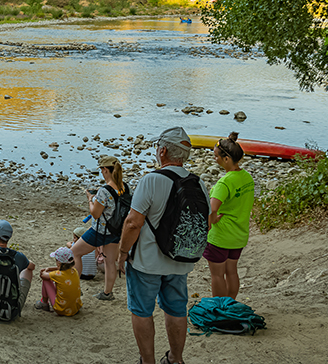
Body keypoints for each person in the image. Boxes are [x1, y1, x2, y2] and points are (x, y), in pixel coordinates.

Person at [117, 127, 210, 364]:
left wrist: (122, 253)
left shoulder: (151, 180)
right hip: (180, 260)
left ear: (163, 150)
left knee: (141, 311)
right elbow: (204, 223)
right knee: (176, 310)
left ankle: (147, 361)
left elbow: (132, 223)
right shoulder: (200, 184)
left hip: (147, 262)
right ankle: (175, 359)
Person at [205, 132, 254, 299]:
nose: (214, 159)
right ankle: (231, 303)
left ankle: (219, 308)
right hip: (239, 235)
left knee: (217, 275)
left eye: (216, 156)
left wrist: (210, 222)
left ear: (226, 158)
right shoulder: (247, 178)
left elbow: (212, 209)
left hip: (221, 236)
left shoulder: (224, 183)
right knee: (232, 272)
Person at [71, 155, 126, 300]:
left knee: (74, 253)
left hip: (100, 231)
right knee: (109, 262)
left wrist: (90, 200)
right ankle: (107, 293)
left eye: (102, 169)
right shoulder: (124, 187)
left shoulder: (104, 191)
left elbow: (95, 214)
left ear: (106, 170)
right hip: (116, 230)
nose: (101, 172)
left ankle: (76, 289)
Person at [36, 246, 83, 316]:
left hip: (61, 309)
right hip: (76, 308)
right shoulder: (75, 271)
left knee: (46, 280)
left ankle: (44, 303)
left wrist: (45, 270)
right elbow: (60, 270)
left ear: (59, 263)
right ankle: (44, 302)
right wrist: (49, 268)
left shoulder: (57, 275)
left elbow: (43, 275)